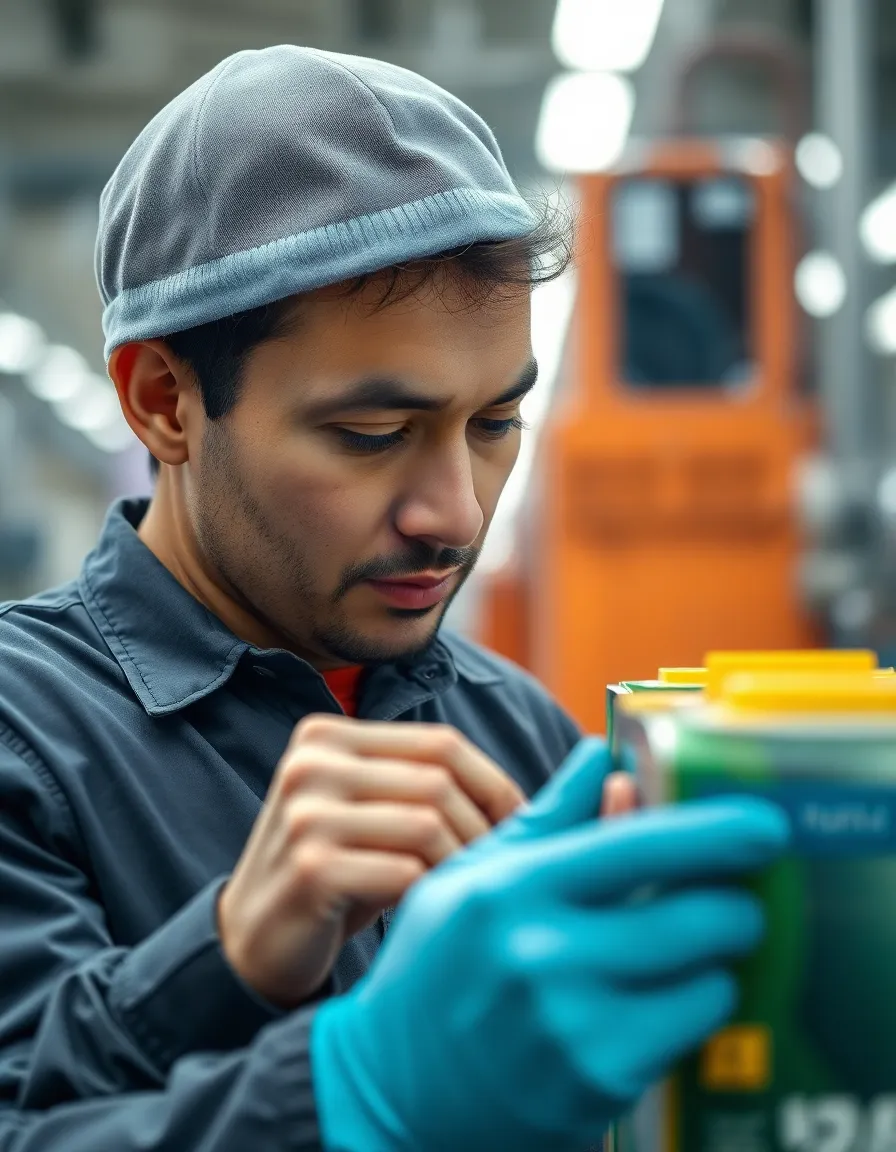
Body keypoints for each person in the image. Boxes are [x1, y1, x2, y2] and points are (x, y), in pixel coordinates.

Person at [0, 45, 789, 1151]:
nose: (456, 514)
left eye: (493, 425)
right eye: (372, 436)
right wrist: (248, 985)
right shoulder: (24, 742)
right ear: (164, 402)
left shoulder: (517, 731)